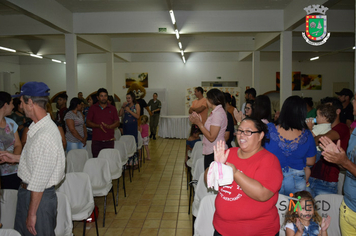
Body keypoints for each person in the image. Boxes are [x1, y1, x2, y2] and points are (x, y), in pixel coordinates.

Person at [0, 81, 65, 236]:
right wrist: (15, 158)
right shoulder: (38, 127)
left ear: (30, 102)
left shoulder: (46, 135)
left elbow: (39, 179)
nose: (19, 106)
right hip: (30, 194)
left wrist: (32, 213)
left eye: (21, 102)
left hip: (38, 198)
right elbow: (36, 159)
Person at [210, 118, 283, 236]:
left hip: (257, 231)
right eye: (239, 131)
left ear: (260, 136)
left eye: (248, 132)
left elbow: (262, 194)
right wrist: (216, 166)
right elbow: (208, 181)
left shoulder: (269, 160)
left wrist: (235, 172)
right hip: (222, 229)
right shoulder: (229, 153)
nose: (242, 135)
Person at [318, 93, 356, 235]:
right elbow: (348, 166)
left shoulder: (343, 128)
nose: (352, 102)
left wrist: (344, 161)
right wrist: (340, 159)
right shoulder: (355, 131)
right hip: (349, 207)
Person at [264, 96, 316, 196]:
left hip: (271, 177)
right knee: (295, 210)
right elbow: (311, 161)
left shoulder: (269, 129)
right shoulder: (307, 134)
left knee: (273, 209)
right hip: (296, 180)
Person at [307, 97, 350, 197]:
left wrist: (309, 135)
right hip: (311, 176)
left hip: (325, 181)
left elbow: (321, 139)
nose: (326, 111)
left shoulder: (341, 127)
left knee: (324, 212)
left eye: (329, 108)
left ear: (338, 111)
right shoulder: (319, 126)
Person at [189, 88, 227, 170]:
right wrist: (198, 121)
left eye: (207, 98)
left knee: (211, 178)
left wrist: (199, 123)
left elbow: (211, 137)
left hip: (215, 151)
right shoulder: (216, 112)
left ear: (211, 100)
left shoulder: (217, 114)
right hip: (212, 150)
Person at [305, 104, 336, 188]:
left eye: (317, 115)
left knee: (306, 166)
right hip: (319, 151)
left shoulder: (321, 127)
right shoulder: (326, 126)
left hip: (316, 151)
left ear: (324, 117)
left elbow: (309, 136)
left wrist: (309, 128)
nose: (316, 117)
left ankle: (306, 181)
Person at [86, 88, 120, 157]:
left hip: (109, 141)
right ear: (98, 97)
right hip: (97, 141)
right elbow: (88, 122)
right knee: (97, 161)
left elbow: (117, 122)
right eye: (101, 96)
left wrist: (110, 127)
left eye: (105, 96)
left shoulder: (112, 108)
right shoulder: (92, 108)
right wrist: (98, 126)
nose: (103, 98)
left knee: (109, 160)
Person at [0, 92, 22, 189]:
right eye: (12, 103)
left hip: (14, 171)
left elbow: (18, 144)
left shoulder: (11, 123)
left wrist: (13, 159)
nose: (13, 106)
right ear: (5, 105)